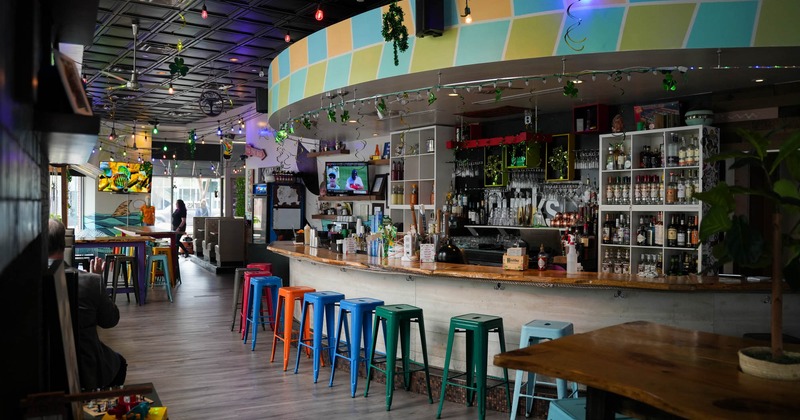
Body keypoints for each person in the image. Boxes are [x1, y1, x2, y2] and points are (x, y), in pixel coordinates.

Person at [47, 219, 127, 391]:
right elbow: (110, 321)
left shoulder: (23, 283)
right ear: (65, 243)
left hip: (43, 370)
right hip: (86, 370)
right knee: (120, 363)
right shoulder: (89, 281)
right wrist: (98, 281)